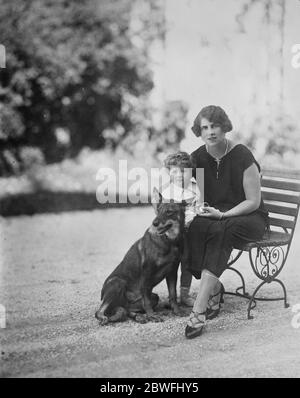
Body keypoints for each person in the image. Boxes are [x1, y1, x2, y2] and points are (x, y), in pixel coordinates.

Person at [185, 105, 269, 339]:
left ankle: (199, 307)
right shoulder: (199, 157)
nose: (210, 132)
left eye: (215, 126)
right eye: (205, 127)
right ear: (199, 132)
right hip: (218, 216)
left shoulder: (242, 155)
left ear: (225, 128)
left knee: (223, 228)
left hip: (249, 218)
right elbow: (181, 184)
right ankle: (215, 287)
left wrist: (223, 215)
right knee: (196, 227)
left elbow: (253, 201)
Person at [159, 151, 204, 306]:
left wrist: (197, 214)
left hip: (190, 233)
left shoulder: (196, 189)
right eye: (174, 171)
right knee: (171, 263)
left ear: (191, 172)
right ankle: (172, 296)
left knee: (187, 262)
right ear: (169, 172)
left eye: (183, 171)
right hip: (172, 236)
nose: (179, 175)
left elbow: (200, 209)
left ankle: (184, 294)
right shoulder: (167, 192)